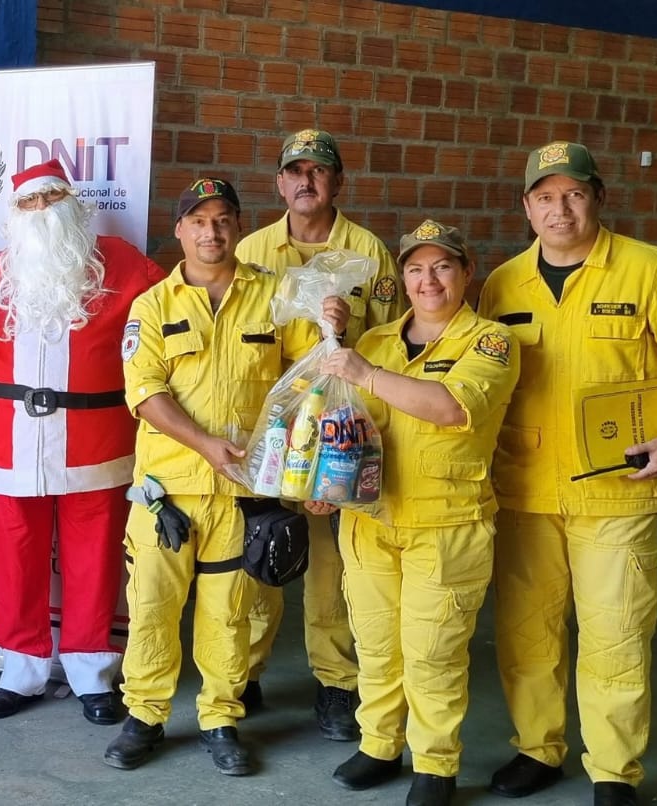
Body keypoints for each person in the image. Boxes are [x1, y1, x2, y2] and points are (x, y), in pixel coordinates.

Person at [478, 142, 657, 806]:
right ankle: (537, 748)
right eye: (544, 196)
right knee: (527, 631)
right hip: (526, 489)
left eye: (574, 194)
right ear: (526, 206)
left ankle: (614, 772)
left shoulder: (649, 269)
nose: (559, 209)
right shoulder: (502, 284)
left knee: (616, 634)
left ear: (598, 198)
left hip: (619, 489)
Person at [107, 177, 347, 775]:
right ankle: (145, 717)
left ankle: (220, 718)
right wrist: (205, 445)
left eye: (222, 220)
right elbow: (145, 394)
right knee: (153, 607)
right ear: (180, 230)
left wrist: (331, 327)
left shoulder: (274, 296)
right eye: (198, 221)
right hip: (167, 494)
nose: (210, 232)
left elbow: (311, 377)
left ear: (239, 227)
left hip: (244, 493)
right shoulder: (153, 306)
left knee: (231, 613)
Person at [0, 159, 166, 724]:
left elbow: (171, 316)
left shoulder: (124, 264)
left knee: (95, 558)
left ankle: (91, 671)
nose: (41, 211)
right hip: (9, 444)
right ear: (15, 214)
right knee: (12, 557)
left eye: (51, 199)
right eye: (29, 202)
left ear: (73, 205)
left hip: (96, 442)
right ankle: (21, 669)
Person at [318, 221, 519, 806]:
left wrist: (364, 372)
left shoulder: (490, 341)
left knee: (434, 651)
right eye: (415, 269)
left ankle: (435, 764)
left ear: (467, 273)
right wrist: (322, 479)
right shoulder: (376, 339)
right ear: (402, 279)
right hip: (370, 519)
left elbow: (452, 408)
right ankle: (380, 745)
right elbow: (345, 422)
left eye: (442, 267)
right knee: (376, 644)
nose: (428, 281)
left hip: (446, 524)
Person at [235, 128, 404, 740]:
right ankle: (245, 672)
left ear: (338, 182)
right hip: (273, 428)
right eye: (295, 171)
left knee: (331, 567)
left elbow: (393, 341)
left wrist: (345, 331)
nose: (306, 180)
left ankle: (335, 681)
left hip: (338, 433)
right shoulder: (252, 249)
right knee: (261, 551)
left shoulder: (368, 252)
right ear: (280, 183)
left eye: (319, 170)